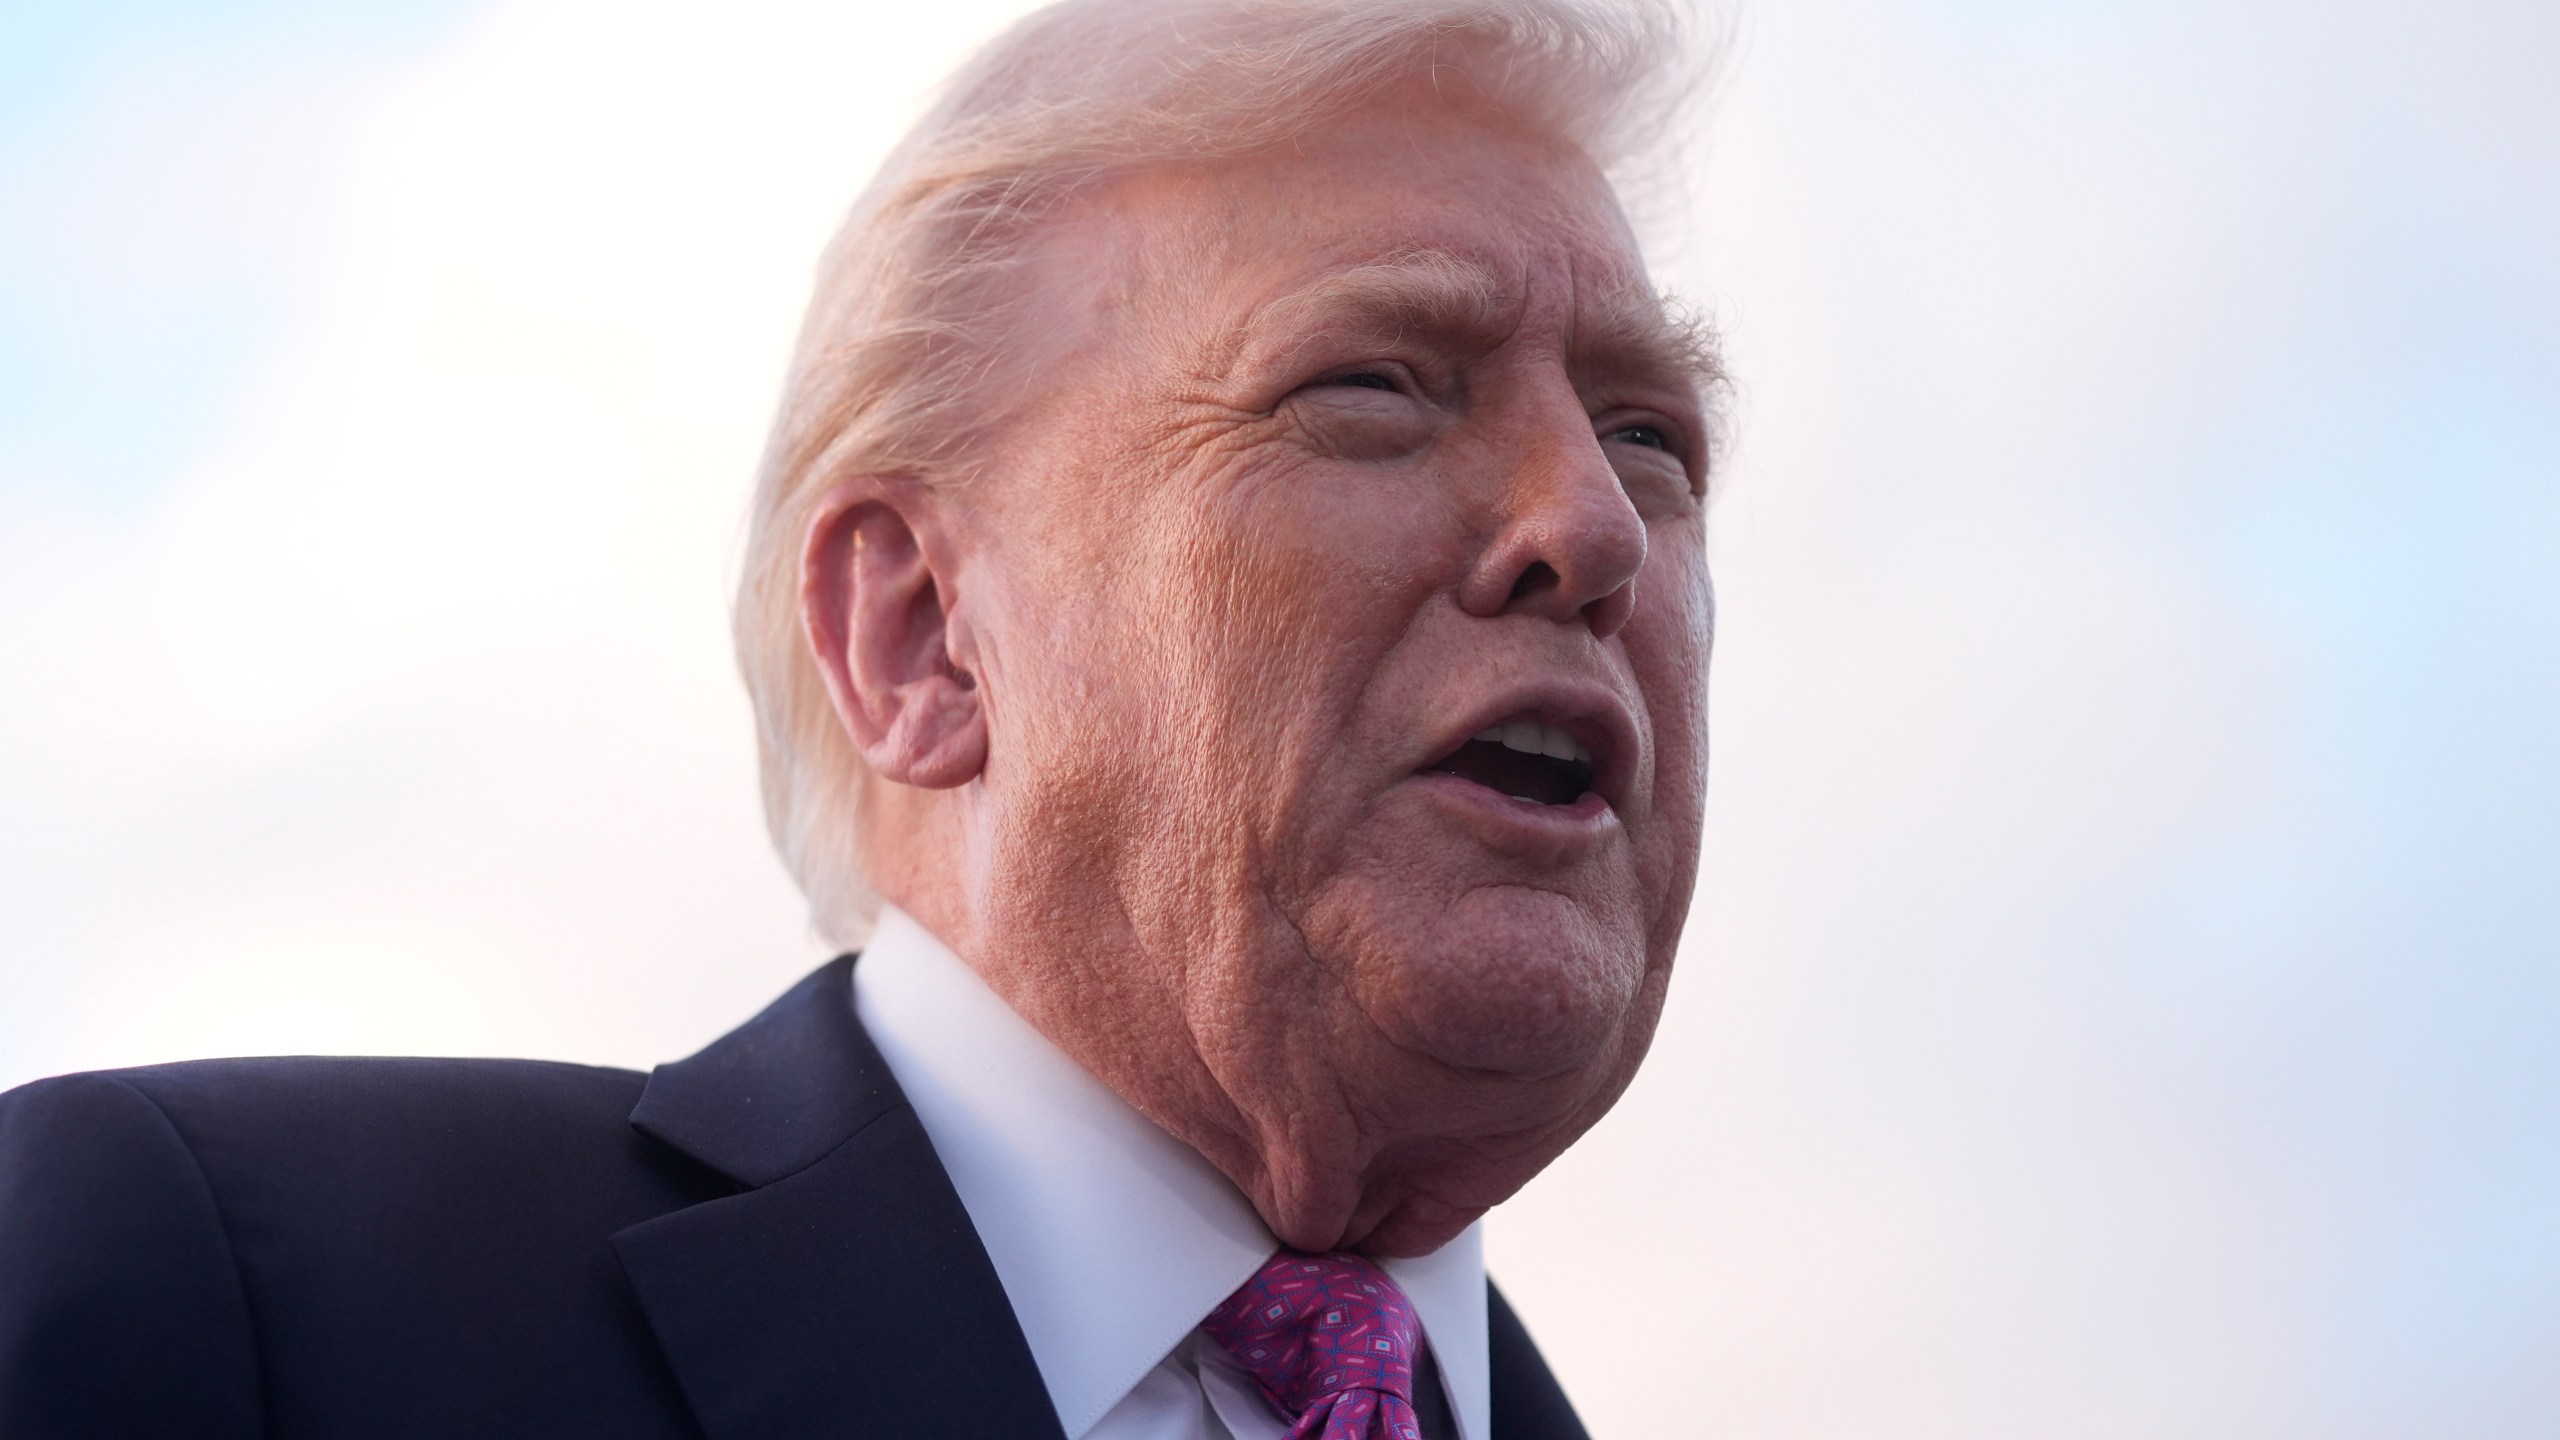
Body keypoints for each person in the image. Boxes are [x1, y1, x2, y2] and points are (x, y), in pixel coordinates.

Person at [0, 1, 1722, 1435]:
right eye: (1373, 385)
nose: (1594, 526)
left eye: (1649, 433)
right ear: (920, 639)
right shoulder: (247, 1305)